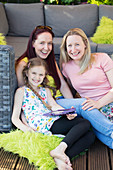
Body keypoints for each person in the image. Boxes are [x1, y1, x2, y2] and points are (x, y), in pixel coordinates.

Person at [12, 58, 95, 170]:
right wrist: (26, 129)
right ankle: (60, 150)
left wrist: (66, 113)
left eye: (40, 74)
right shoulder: (21, 91)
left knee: (90, 135)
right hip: (41, 123)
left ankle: (61, 157)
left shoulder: (45, 91)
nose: (37, 78)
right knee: (85, 123)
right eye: (34, 73)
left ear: (45, 75)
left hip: (52, 119)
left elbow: (54, 106)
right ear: (27, 73)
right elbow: (15, 118)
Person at [59, 27, 113, 149]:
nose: (73, 50)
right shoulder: (66, 67)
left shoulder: (102, 58)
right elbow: (71, 90)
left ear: (85, 44)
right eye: (69, 46)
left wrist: (98, 103)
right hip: (90, 109)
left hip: (108, 103)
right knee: (91, 117)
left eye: (77, 44)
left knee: (101, 131)